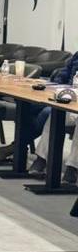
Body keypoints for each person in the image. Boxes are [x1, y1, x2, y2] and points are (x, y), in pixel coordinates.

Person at [30, 51, 78, 182]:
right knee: (55, 115)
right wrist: (58, 85)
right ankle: (41, 159)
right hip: (72, 100)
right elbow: (63, 73)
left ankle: (72, 168)